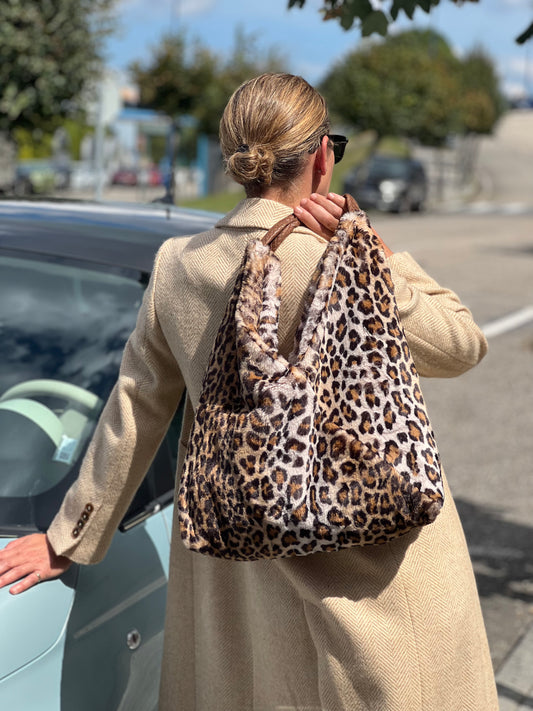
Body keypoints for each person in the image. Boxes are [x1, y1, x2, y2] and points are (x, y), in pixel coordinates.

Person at [0, 73, 497, 710]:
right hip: (374, 589)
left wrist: (69, 536)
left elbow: (137, 405)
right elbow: (461, 344)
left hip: (235, 597)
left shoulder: (180, 265)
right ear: (321, 154)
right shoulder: (340, 257)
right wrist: (379, 254)